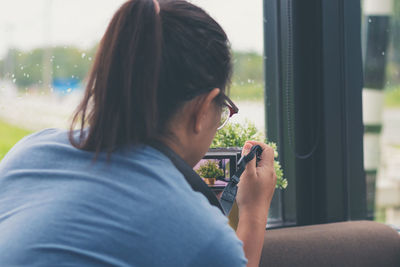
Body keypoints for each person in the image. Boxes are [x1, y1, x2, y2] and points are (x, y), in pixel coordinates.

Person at [0, 0, 277, 266]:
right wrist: (253, 211)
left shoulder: (28, 153)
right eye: (222, 110)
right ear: (203, 108)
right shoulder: (198, 230)